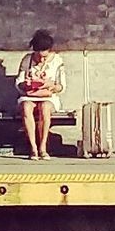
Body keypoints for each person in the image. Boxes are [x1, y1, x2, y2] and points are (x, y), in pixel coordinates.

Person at [16, 29, 66, 160]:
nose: (41, 59)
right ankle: (33, 148)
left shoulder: (57, 61)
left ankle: (43, 147)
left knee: (45, 108)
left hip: (48, 96)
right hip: (29, 95)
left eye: (44, 56)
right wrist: (26, 84)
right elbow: (19, 83)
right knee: (26, 107)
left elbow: (61, 86)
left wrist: (51, 85)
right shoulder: (27, 60)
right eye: (39, 56)